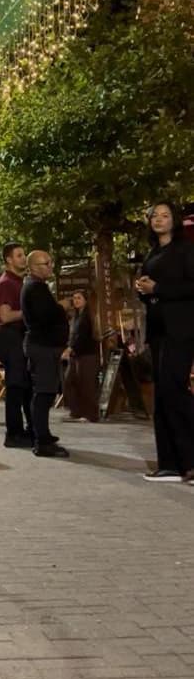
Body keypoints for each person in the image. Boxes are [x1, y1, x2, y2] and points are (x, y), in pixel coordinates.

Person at [135, 201, 194, 484]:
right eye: (154, 216)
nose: (158, 219)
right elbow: (147, 292)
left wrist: (158, 288)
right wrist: (143, 290)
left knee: (175, 390)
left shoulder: (185, 250)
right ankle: (169, 462)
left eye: (165, 215)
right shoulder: (152, 253)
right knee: (161, 397)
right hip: (158, 330)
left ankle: (190, 461)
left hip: (180, 329)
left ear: (175, 220)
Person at [21, 250, 70, 459]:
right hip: (42, 347)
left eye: (51, 262)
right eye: (45, 263)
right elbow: (45, 316)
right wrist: (61, 307)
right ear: (32, 267)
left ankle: (43, 435)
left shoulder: (37, 287)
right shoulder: (34, 288)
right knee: (43, 393)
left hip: (45, 346)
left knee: (46, 393)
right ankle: (41, 441)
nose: (50, 266)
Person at [0, 242, 34, 448]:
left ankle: (29, 429)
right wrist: (30, 311)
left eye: (24, 254)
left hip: (19, 337)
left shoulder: (19, 281)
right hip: (11, 337)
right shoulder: (7, 283)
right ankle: (14, 434)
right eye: (19, 255)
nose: (23, 258)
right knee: (16, 386)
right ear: (9, 260)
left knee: (25, 385)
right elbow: (5, 315)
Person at [62, 290, 99, 422]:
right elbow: (73, 335)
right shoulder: (76, 316)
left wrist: (71, 348)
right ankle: (76, 411)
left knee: (86, 384)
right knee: (69, 381)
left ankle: (91, 414)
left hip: (86, 354)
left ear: (85, 300)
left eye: (79, 298)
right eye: (74, 298)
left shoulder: (88, 316)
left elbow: (82, 336)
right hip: (76, 355)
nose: (76, 300)